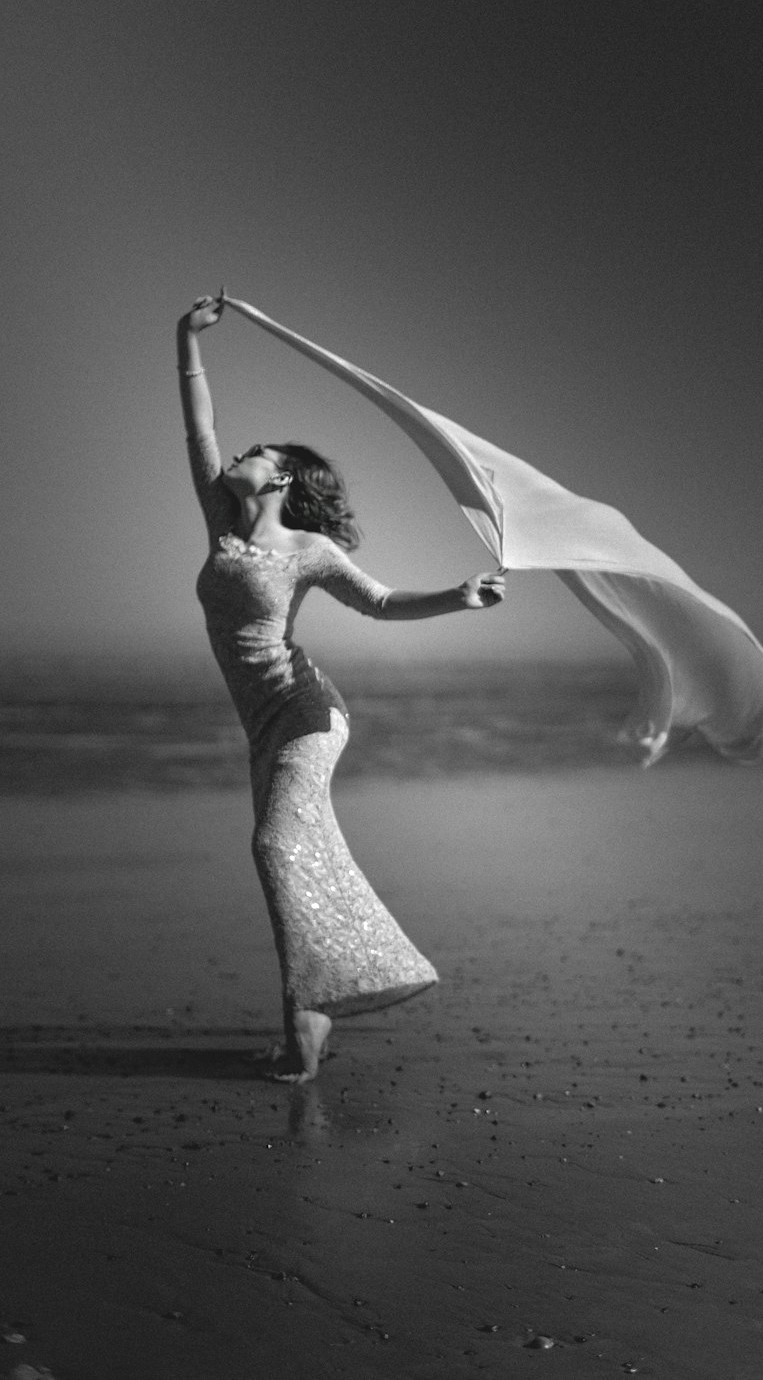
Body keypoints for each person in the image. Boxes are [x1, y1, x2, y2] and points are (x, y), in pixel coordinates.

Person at [177, 293, 506, 1082]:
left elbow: (382, 602)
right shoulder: (221, 518)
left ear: (283, 477)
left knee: (276, 844)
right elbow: (198, 429)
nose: (240, 454)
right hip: (262, 725)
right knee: (296, 859)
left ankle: (312, 1020)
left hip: (307, 711)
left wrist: (458, 597)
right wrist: (183, 339)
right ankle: (310, 1010)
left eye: (257, 450)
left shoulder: (311, 547)